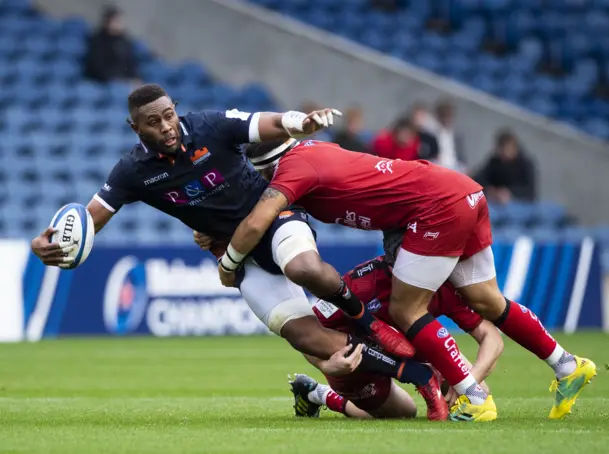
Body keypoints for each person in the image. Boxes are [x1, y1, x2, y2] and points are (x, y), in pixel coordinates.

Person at [30, 84, 422, 387]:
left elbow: (261, 123)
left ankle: (367, 322)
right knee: (308, 339)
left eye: (168, 115)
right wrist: (54, 245)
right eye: (153, 122)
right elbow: (92, 218)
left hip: (276, 220)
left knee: (304, 267)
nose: (166, 126)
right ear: (136, 128)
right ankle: (417, 375)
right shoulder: (132, 171)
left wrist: (300, 122)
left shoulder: (209, 127)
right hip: (238, 257)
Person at [221, 138, 596, 422]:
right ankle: (566, 364)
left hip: (434, 207)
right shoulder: (316, 153)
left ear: (266, 169)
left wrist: (228, 260)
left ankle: (474, 398)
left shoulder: (293, 167)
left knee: (405, 308)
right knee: (487, 301)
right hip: (462, 192)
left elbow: (258, 220)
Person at [289, 232, 503, 420]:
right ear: (392, 259)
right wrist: (324, 365)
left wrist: (468, 383)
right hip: (361, 361)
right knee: (402, 414)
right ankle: (318, 393)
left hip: (418, 349)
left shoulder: (442, 283)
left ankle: (431, 375)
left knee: (478, 392)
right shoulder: (361, 283)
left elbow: (491, 337)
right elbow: (307, 333)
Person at [474, 129, 536, 204]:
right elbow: (479, 178)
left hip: (519, 204)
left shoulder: (525, 164)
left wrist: (510, 192)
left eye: (508, 148)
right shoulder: (494, 162)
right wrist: (490, 190)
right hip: (496, 203)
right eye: (502, 149)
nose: (505, 153)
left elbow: (529, 191)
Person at [84, 6, 140, 83]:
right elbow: (96, 66)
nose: (119, 24)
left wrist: (134, 78)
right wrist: (116, 79)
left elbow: (130, 64)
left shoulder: (125, 41)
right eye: (116, 21)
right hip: (102, 81)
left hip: (122, 80)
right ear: (107, 22)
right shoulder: (98, 40)